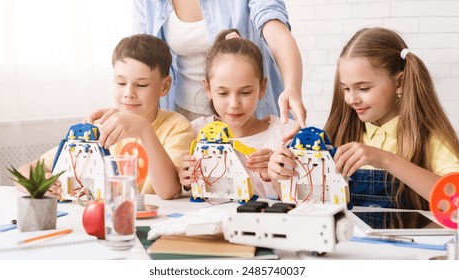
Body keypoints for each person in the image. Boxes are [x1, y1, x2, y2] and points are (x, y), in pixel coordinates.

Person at [268, 27, 459, 211]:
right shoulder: (337, 135)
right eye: (346, 89)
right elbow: (306, 203)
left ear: (399, 82)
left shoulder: (428, 138)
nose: (352, 99)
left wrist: (386, 160)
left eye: (364, 88)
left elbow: (454, 202)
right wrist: (280, 174)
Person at [87, 0, 306, 140]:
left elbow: (276, 34)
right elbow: (140, 61)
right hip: (182, 114)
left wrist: (292, 86)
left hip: (245, 110)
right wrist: (126, 108)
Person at [17, 34, 194, 200]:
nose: (128, 93)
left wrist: (143, 129)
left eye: (141, 84)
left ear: (164, 87)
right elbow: (23, 172)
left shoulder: (176, 126)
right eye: (121, 83)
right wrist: (40, 184)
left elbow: (168, 191)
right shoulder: (100, 125)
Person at [179, 29, 296, 199]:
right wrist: (185, 182)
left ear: (262, 88)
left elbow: (301, 202)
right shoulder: (194, 132)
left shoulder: (284, 136)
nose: (234, 104)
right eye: (223, 93)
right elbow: (181, 196)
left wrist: (271, 176)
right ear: (208, 89)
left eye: (245, 92)